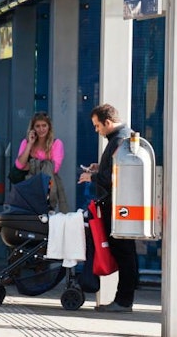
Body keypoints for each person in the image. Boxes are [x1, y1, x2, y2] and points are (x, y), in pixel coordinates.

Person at [77, 104, 136, 313]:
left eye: (97, 126)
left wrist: (91, 176)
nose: (96, 130)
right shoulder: (120, 139)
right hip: (119, 205)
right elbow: (113, 170)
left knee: (124, 253)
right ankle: (122, 299)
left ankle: (123, 300)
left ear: (108, 123)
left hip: (118, 206)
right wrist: (98, 168)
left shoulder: (119, 140)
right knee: (123, 252)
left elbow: (113, 177)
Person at [14, 111, 67, 212]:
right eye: (37, 126)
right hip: (28, 188)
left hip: (48, 188)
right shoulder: (26, 142)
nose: (41, 129)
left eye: (44, 125)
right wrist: (30, 144)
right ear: (33, 128)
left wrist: (32, 165)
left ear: (49, 127)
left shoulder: (56, 143)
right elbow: (20, 165)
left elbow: (54, 168)